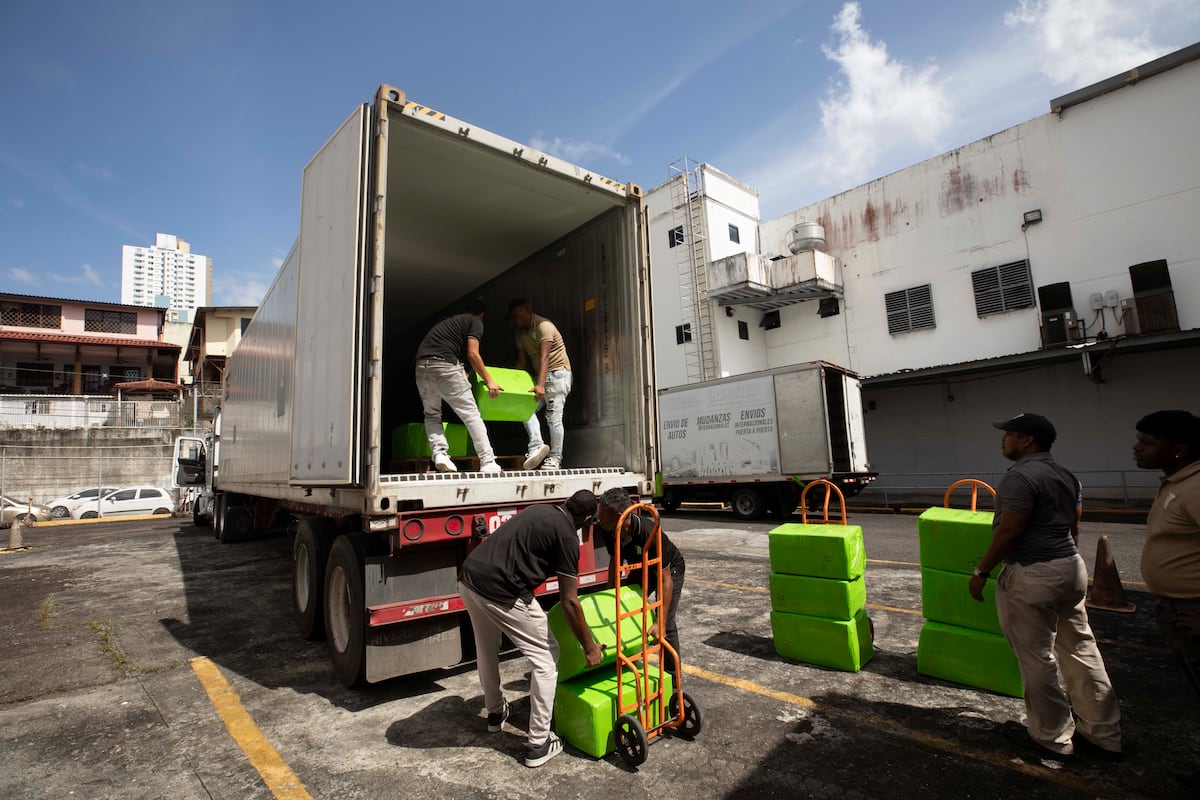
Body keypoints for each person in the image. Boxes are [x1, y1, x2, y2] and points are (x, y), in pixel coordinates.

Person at [968, 412, 1122, 762]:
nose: (1002, 440)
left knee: (1037, 658)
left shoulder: (1020, 477)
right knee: (1081, 649)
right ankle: (1104, 734)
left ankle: (1051, 737)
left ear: (1027, 441)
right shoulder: (1066, 475)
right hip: (1070, 566)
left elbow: (1011, 531)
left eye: (1008, 435)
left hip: (1033, 572)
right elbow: (1075, 528)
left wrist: (981, 570)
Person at [458, 490, 603, 768]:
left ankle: (494, 713)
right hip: (502, 591)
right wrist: (589, 647)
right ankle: (538, 743)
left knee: (486, 648)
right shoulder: (568, 537)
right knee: (547, 658)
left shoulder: (540, 509)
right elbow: (570, 601)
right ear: (586, 519)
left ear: (565, 503)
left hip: (469, 577)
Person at [1132, 409, 1200, 785]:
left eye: (1147, 442)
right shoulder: (1176, 481)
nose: (1136, 448)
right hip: (1176, 610)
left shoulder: (1197, 486)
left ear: (1178, 449)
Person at [594, 487, 687, 676]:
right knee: (626, 609)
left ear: (619, 515)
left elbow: (665, 579)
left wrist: (659, 621)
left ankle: (673, 678)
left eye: (603, 514)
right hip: (641, 568)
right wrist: (610, 594)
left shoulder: (648, 532)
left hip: (669, 570)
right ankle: (627, 658)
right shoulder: (608, 528)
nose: (599, 518)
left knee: (665, 623)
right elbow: (615, 560)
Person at [414, 298, 502, 474]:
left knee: (432, 414)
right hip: (444, 366)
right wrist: (490, 380)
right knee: (471, 414)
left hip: (422, 367)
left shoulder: (451, 323)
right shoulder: (475, 321)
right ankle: (488, 461)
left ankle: (439, 453)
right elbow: (472, 354)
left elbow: (446, 348)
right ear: (481, 315)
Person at [508, 298, 572, 471]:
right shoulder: (520, 333)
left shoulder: (545, 326)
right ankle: (536, 444)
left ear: (527, 309)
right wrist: (511, 383)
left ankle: (555, 458)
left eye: (517, 313)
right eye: (513, 316)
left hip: (558, 374)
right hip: (541, 377)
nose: (516, 319)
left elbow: (544, 357)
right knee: (524, 409)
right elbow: (521, 362)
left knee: (553, 418)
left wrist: (541, 385)